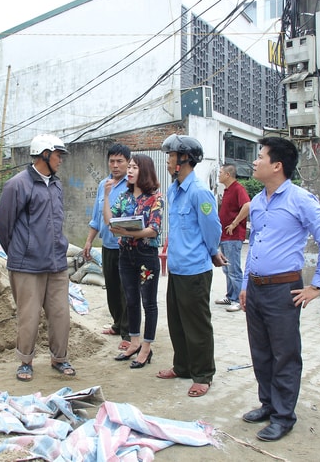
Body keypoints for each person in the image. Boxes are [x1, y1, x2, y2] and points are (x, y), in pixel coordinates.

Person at [239, 137, 320, 442]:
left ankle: (284, 416)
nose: (255, 162)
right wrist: (244, 285)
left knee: (285, 355)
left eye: (260, 157)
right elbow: (253, 245)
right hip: (256, 288)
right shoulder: (257, 202)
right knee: (261, 351)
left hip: (284, 290)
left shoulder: (301, 200)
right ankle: (268, 405)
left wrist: (317, 286)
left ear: (277, 166)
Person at [0, 134, 76, 382]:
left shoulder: (57, 184)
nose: (60, 160)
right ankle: (25, 362)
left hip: (56, 263)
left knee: (61, 314)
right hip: (27, 265)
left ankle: (59, 359)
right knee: (29, 316)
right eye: (57, 155)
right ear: (44, 155)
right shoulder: (17, 185)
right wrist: (21, 252)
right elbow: (3, 227)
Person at [156, 134, 224, 398]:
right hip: (177, 268)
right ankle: (182, 366)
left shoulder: (199, 192)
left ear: (185, 159)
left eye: (172, 155)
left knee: (197, 325)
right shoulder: (174, 189)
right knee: (177, 322)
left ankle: (203, 374)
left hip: (195, 270)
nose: (169, 159)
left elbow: (212, 228)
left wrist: (213, 252)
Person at [103, 154, 163, 369]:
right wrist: (107, 196)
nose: (129, 171)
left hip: (146, 256)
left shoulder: (155, 198)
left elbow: (153, 230)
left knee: (149, 303)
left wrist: (127, 232)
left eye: (134, 167)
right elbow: (109, 221)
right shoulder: (124, 197)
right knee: (130, 300)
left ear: (144, 171)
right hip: (125, 255)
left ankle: (146, 347)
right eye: (129, 167)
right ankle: (134, 342)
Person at [83, 144, 131, 351]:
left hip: (126, 246)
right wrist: (88, 241)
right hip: (108, 246)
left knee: (126, 290)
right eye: (112, 161)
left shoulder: (133, 185)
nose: (115, 165)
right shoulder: (104, 184)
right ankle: (117, 324)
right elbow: (96, 218)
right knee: (111, 288)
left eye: (120, 161)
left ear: (128, 162)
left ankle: (129, 333)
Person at [213, 164, 250, 312]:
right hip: (224, 235)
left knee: (234, 269)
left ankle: (239, 300)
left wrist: (234, 223)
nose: (219, 175)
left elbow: (247, 205)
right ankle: (231, 295)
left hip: (233, 236)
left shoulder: (238, 188)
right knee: (227, 268)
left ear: (228, 174)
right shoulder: (228, 190)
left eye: (220, 173)